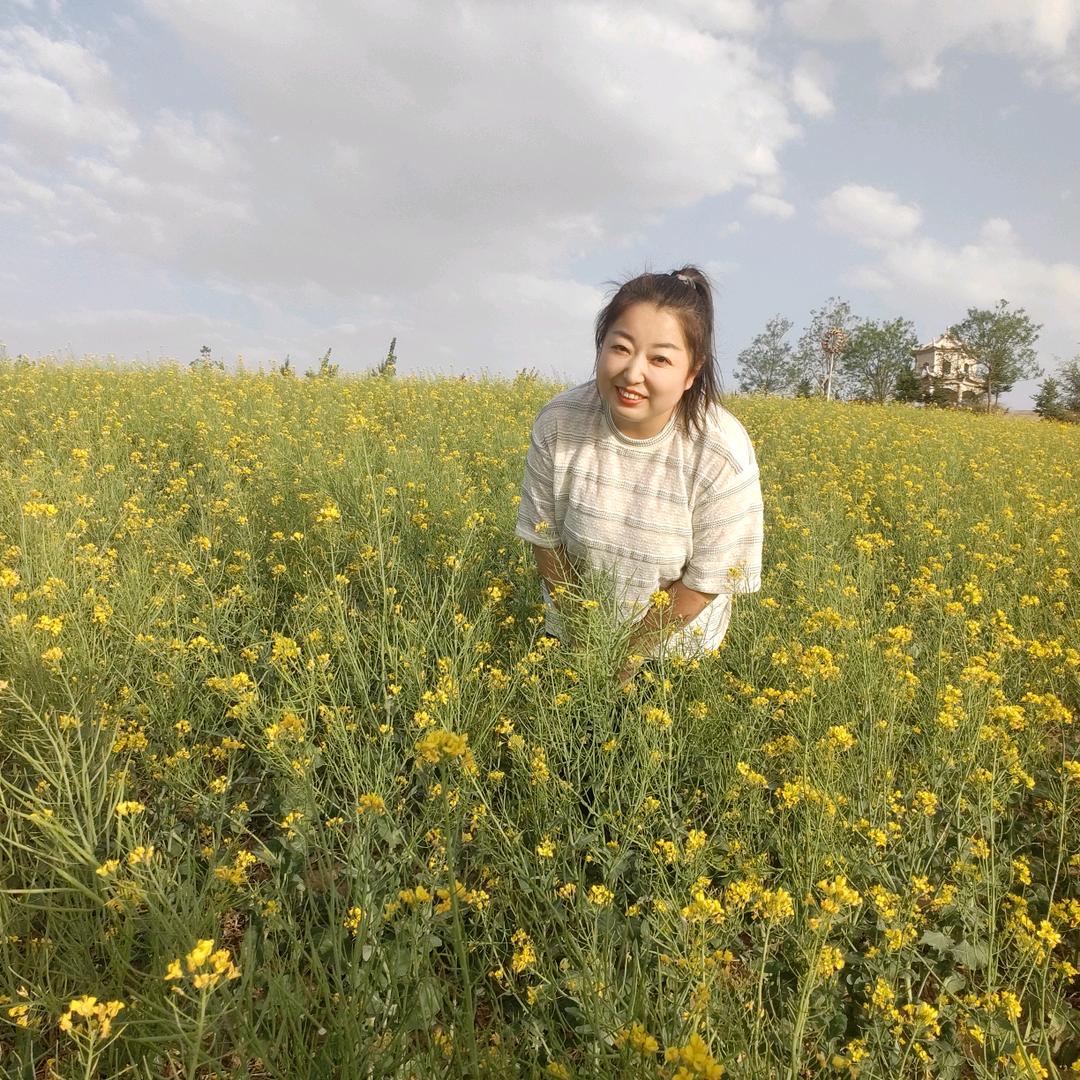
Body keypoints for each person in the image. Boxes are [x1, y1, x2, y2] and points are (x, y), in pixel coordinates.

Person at [514, 265, 764, 688]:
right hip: (576, 637)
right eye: (621, 348)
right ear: (600, 346)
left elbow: (707, 579)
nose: (633, 373)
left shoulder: (721, 451)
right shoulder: (560, 422)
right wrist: (584, 636)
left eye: (660, 359)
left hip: (672, 660)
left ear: (692, 373)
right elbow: (545, 537)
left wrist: (627, 657)